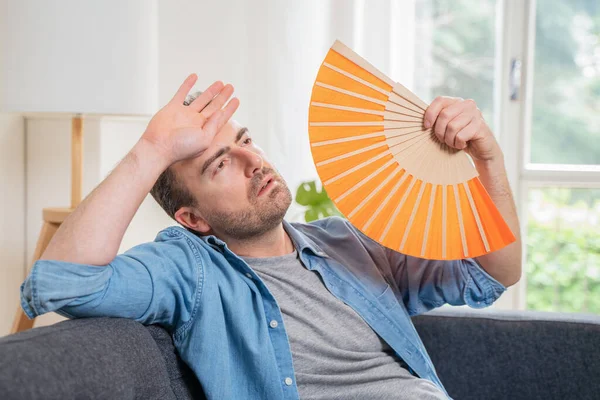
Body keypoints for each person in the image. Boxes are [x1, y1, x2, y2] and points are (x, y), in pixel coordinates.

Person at [20, 73, 522, 400]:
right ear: (193, 218)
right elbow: (59, 283)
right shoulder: (190, 272)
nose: (253, 161)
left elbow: (492, 273)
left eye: (245, 142)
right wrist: (151, 149)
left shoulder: (347, 244)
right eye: (221, 164)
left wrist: (487, 159)